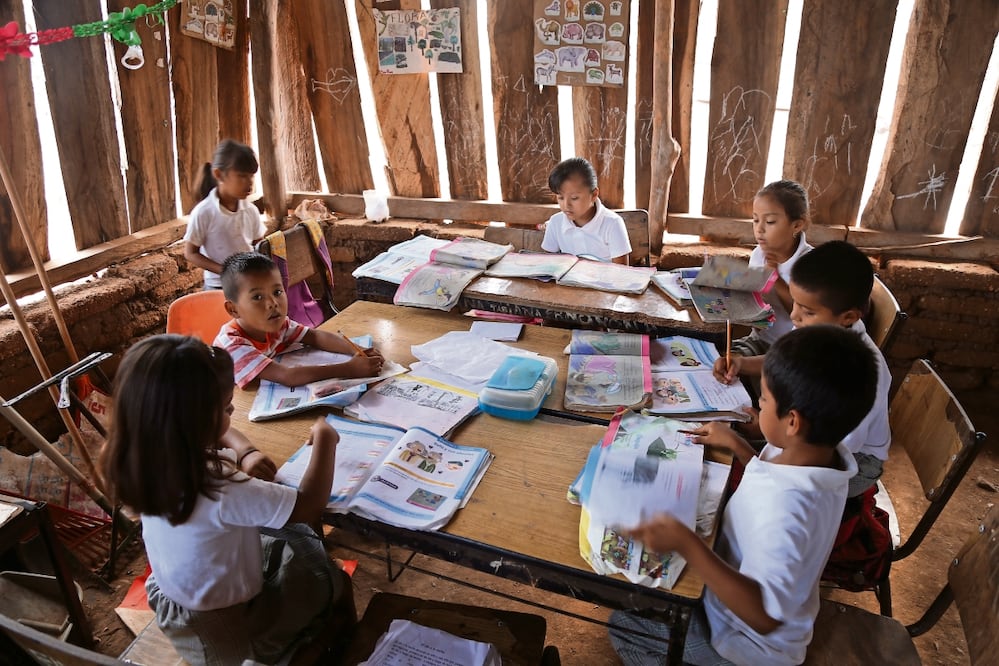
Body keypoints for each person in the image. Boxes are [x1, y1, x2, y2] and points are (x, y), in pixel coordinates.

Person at [609, 325, 877, 665]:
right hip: (741, 599)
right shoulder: (821, 457)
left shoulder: (787, 511)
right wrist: (738, 445)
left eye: (763, 399)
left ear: (793, 422)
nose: (758, 407)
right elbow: (770, 480)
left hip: (740, 642)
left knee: (624, 626)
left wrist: (687, 544)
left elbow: (764, 617)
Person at [101, 335, 354, 664]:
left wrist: (246, 450)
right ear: (195, 421)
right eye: (225, 407)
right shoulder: (216, 485)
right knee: (326, 579)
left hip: (179, 592)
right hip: (221, 623)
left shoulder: (145, 455)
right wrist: (325, 439)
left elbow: (219, 431)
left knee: (291, 545)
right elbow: (308, 506)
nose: (232, 411)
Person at [714, 241, 890, 497]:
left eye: (807, 312)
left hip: (852, 460)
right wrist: (742, 364)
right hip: (810, 431)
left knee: (739, 469)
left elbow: (829, 450)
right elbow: (786, 359)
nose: (794, 317)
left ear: (849, 317)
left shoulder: (861, 371)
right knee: (733, 438)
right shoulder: (820, 331)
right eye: (795, 303)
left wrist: (760, 437)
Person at [214, 252, 383, 389]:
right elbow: (287, 376)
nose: (273, 303)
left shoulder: (277, 325)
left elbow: (315, 337)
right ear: (233, 309)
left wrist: (357, 350)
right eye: (257, 297)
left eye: (277, 292)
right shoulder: (232, 345)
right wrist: (349, 369)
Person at [730, 180, 813, 357]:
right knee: (723, 359)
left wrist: (774, 277)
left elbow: (806, 315)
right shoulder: (758, 254)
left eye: (770, 221)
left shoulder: (810, 265)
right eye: (755, 220)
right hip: (759, 339)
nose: (759, 229)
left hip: (792, 350)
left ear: (797, 225)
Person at [184, 139, 268, 290]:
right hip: (217, 287)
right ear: (219, 175)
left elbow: (259, 246)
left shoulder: (250, 211)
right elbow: (190, 253)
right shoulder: (204, 212)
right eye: (242, 176)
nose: (249, 182)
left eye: (252, 176)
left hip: (248, 285)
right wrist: (225, 271)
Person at [540, 157, 632, 264]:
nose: (566, 205)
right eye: (560, 197)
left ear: (594, 195)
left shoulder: (612, 223)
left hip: (605, 275)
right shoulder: (556, 222)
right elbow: (549, 266)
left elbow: (621, 271)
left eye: (574, 198)